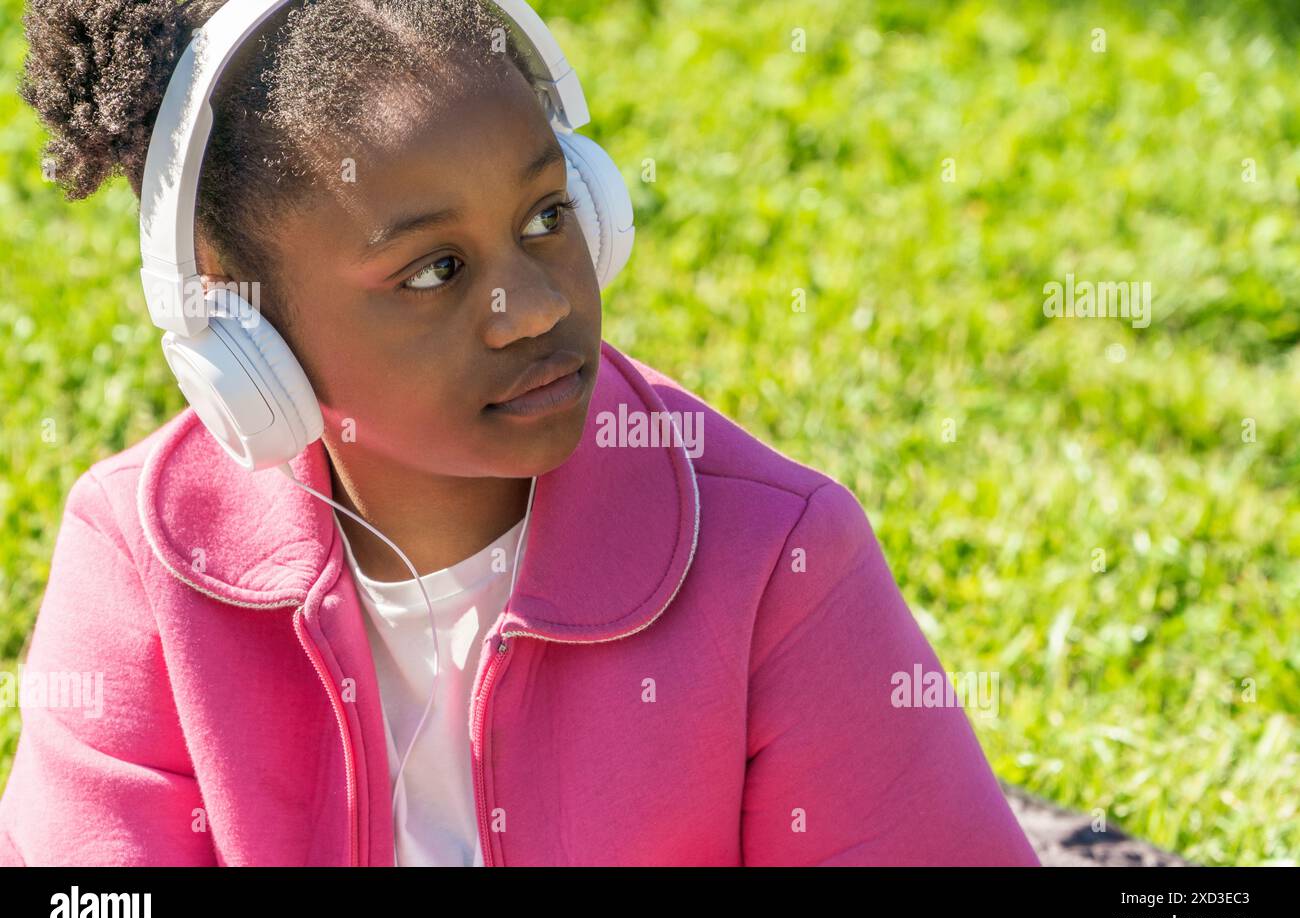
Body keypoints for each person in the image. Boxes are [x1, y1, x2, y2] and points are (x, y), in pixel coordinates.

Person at [0, 0, 1040, 866]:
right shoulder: (146, 558)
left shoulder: (778, 558)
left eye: (547, 213)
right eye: (434, 271)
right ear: (237, 319)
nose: (534, 305)